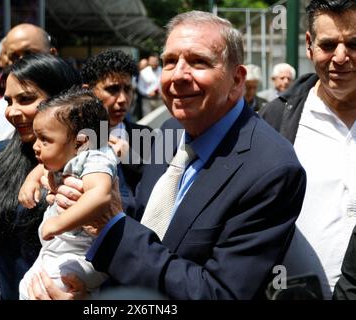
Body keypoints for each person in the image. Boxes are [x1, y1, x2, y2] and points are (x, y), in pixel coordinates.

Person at [29, 11, 306, 300]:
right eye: (170, 61)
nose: (178, 76)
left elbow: (218, 294)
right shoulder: (171, 129)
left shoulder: (272, 170)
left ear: (237, 80)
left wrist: (109, 227)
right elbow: (144, 215)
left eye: (198, 61)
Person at [0, 53, 81, 300]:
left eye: (26, 99)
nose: (12, 112)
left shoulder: (94, 164)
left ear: (65, 99)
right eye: (8, 101)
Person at [260, 0, 356, 299]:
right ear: (309, 45)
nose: (341, 57)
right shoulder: (276, 119)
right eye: (329, 45)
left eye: (354, 44)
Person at [19, 49, 152, 213]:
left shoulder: (147, 137)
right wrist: (33, 179)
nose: (123, 99)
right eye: (113, 89)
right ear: (88, 91)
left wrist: (130, 157)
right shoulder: (60, 135)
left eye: (128, 89)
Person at [19, 88, 117, 299]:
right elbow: (44, 166)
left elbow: (100, 195)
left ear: (80, 143)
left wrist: (58, 223)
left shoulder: (96, 158)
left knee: (52, 287)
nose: (36, 146)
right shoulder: (68, 154)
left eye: (44, 139)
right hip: (57, 251)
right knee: (26, 286)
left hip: (84, 256)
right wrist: (30, 181)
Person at [0, 23, 57, 180]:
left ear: (52, 54)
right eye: (14, 57)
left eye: (30, 54)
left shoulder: (84, 106)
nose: (21, 62)